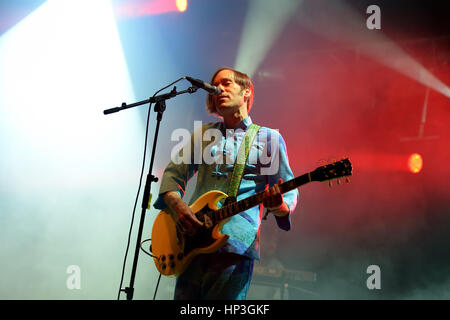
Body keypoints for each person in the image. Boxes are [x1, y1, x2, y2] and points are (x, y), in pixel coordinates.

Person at [153, 67, 298, 300]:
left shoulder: (269, 138)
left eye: (227, 83)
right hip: (191, 244)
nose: (218, 89)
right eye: (215, 85)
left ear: (247, 92)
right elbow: (171, 176)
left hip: (235, 245)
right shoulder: (203, 135)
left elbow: (288, 190)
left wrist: (278, 206)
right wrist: (179, 208)